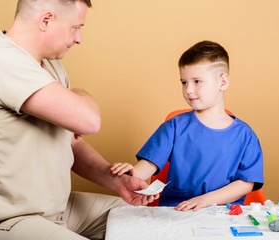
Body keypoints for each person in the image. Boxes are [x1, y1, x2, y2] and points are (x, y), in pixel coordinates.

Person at [0, 1, 157, 239]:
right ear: (46, 20)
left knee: (151, 221)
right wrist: (81, 94)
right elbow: (89, 122)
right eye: (75, 27)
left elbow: (71, 143)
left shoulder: (52, 66)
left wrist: (118, 183)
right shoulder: (5, 61)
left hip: (59, 210)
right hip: (14, 219)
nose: (79, 38)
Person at [111, 40, 264, 212]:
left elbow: (246, 183)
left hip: (224, 215)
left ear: (222, 82)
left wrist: (205, 200)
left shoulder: (245, 135)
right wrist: (130, 173)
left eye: (197, 81)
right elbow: (149, 164)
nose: (188, 90)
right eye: (184, 82)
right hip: (177, 212)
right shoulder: (174, 126)